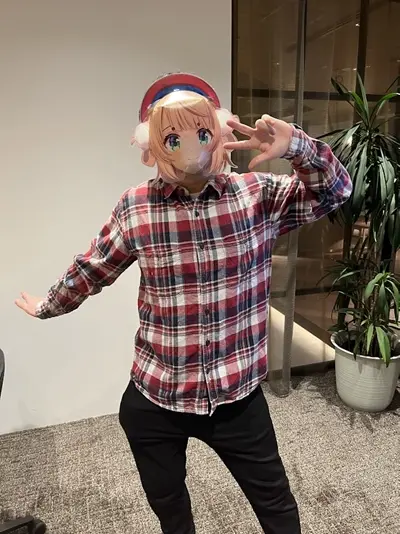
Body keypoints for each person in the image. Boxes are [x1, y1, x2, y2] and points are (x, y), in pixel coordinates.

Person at [16, 73, 352, 534]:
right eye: (172, 139)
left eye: (201, 133)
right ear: (151, 147)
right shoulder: (136, 207)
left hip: (237, 397)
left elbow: (335, 190)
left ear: (220, 133)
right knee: (170, 508)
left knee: (276, 505)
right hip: (157, 394)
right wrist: (48, 305)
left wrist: (297, 146)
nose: (189, 149)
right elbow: (94, 267)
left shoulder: (258, 195)